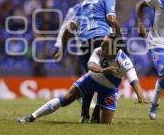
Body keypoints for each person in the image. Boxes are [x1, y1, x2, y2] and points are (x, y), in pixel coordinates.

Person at [18, 34, 147, 124]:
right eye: (103, 41)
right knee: (67, 98)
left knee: (105, 124)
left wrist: (140, 96)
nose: (102, 45)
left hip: (109, 89)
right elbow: (90, 65)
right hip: (91, 79)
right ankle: (32, 117)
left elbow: (134, 80)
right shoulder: (98, 51)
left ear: (114, 47)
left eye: (106, 44)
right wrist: (102, 70)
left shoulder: (124, 61)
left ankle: (95, 114)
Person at [53, 0, 122, 123]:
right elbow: (111, 18)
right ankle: (96, 116)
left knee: (91, 78)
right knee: (110, 78)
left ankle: (84, 115)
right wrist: (119, 33)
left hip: (84, 44)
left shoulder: (81, 5)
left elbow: (69, 29)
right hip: (101, 40)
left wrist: (62, 48)